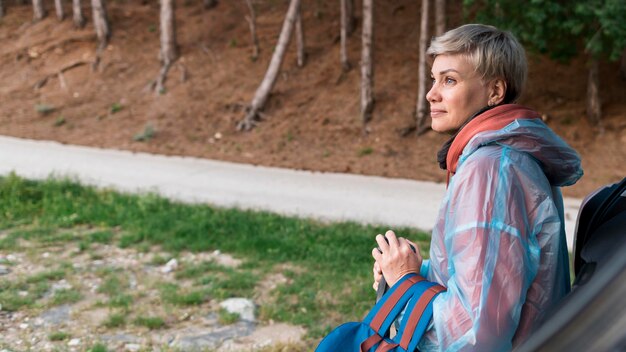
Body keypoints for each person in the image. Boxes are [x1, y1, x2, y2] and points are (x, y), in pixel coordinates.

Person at [371, 24, 583, 351]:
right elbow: (492, 277)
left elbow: (476, 335)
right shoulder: (505, 158)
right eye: (433, 79)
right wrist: (413, 269)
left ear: (495, 91)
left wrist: (405, 285)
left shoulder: (491, 171)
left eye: (450, 80)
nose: (432, 93)